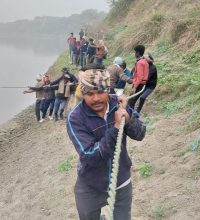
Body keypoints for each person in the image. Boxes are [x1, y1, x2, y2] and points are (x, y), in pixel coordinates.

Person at [67, 70, 146, 220]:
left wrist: (128, 120)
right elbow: (90, 155)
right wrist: (116, 128)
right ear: (82, 94)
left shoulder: (119, 104)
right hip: (90, 184)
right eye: (90, 94)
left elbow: (140, 134)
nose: (96, 98)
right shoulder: (75, 118)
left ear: (108, 90)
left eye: (101, 92)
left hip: (121, 181)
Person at [128, 45, 149, 110]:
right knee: (131, 102)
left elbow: (140, 77)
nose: (134, 53)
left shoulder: (140, 63)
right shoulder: (144, 61)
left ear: (138, 53)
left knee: (130, 103)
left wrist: (134, 87)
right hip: (142, 84)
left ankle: (130, 118)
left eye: (135, 52)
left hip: (138, 84)